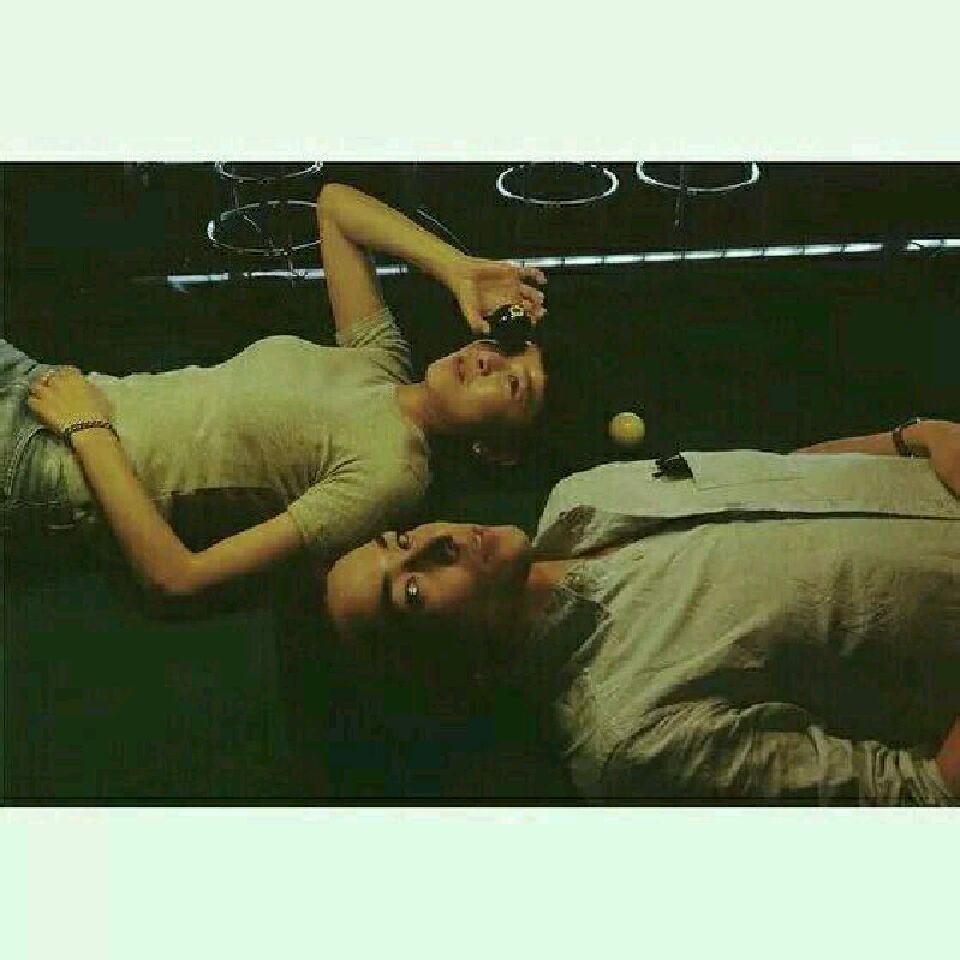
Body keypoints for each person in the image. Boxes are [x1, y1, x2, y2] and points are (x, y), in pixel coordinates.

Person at [323, 417, 960, 804]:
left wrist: (909, 439)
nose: (434, 543)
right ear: (447, 666)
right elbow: (921, 795)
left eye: (398, 541)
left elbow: (778, 476)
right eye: (411, 592)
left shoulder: (581, 493)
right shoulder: (630, 740)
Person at [1, 183, 547, 597]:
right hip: (44, 386)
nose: (488, 361)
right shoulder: (379, 361)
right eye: (504, 347)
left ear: (495, 448)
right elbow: (335, 206)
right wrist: (456, 268)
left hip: (48, 461)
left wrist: (89, 431)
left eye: (513, 383)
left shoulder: (392, 474)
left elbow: (179, 577)